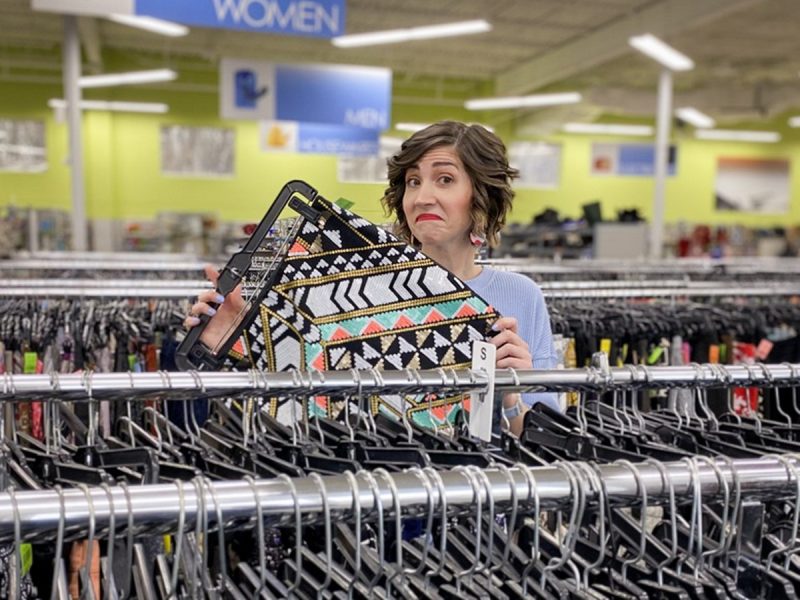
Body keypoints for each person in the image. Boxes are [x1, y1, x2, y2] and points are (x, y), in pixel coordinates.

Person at [186, 120, 558, 435]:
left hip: (470, 503)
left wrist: (511, 394)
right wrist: (225, 341)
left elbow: (543, 446)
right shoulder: (352, 281)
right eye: (413, 181)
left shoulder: (520, 297)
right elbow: (286, 404)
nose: (423, 196)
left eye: (444, 179)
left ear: (482, 196)